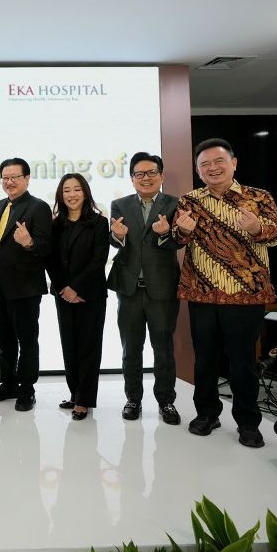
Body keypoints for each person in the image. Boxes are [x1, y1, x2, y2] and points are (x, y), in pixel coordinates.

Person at [172, 138, 277, 448]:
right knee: (205, 359)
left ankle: (248, 422)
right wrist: (183, 231)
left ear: (233, 163)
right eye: (204, 165)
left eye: (218, 161)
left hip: (245, 294)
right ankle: (207, 414)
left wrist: (257, 229)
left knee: (243, 362)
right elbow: (177, 240)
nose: (212, 168)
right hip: (202, 293)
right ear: (198, 171)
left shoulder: (258, 197)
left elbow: (276, 236)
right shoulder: (190, 200)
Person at [107, 152, 183, 425]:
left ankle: (166, 401)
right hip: (129, 289)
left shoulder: (174, 204)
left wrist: (165, 234)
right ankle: (133, 399)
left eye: (152, 173)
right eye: (139, 174)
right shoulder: (120, 204)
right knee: (131, 349)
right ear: (132, 179)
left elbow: (179, 241)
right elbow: (115, 240)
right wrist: (117, 236)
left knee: (163, 348)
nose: (146, 178)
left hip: (162, 289)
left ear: (161, 176)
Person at [0, 158, 53, 411]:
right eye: (5, 178)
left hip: (24, 287)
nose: (9, 182)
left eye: (15, 177)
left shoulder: (39, 207)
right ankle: (8, 383)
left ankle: (26, 388)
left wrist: (29, 243)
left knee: (27, 340)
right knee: (3, 339)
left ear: (27, 178)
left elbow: (46, 248)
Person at [46, 173, 110, 421]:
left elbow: (98, 260)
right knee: (69, 346)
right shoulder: (55, 225)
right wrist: (64, 288)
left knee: (88, 348)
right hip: (63, 295)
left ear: (85, 193)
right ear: (60, 195)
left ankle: (84, 400)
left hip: (90, 295)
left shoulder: (98, 222)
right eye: (66, 190)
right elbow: (50, 260)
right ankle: (75, 393)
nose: (71, 195)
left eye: (76, 189)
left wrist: (76, 288)